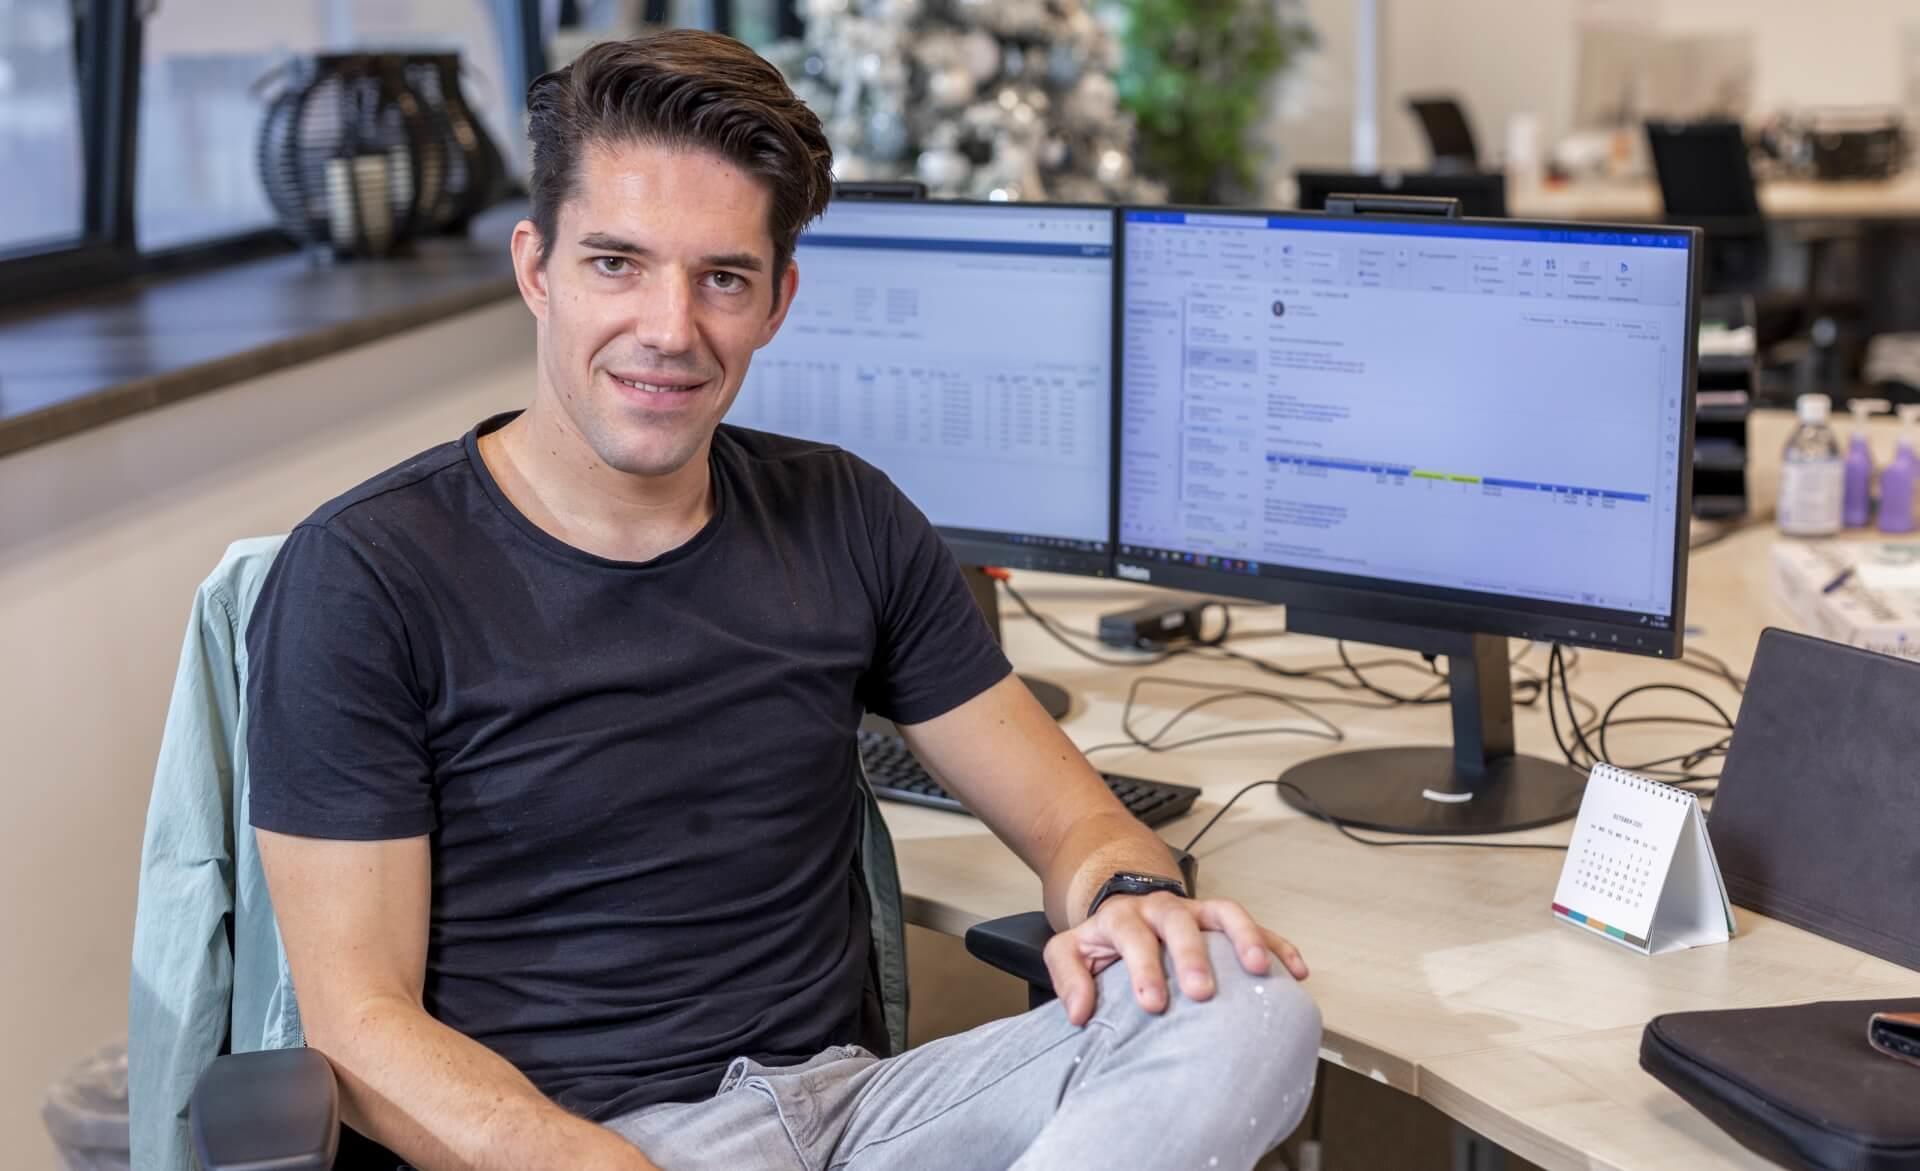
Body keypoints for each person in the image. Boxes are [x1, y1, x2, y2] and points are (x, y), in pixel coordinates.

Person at [247, 29, 1320, 1171]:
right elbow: (357, 1023)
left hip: (855, 1118)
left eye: (722, 278)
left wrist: (1130, 893)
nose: (670, 329)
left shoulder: (843, 515)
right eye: (616, 263)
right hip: (580, 1143)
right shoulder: (365, 575)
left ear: (777, 300)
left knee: (1245, 999)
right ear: (536, 269)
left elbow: (1074, 822)